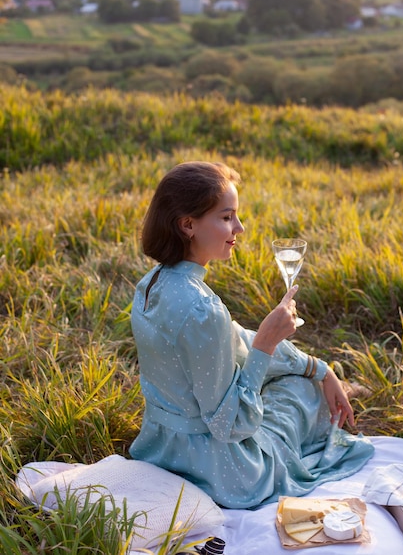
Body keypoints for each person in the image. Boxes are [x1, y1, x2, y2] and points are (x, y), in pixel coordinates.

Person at [129, 161, 374, 509]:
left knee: (301, 376)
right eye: (227, 217)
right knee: (300, 392)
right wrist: (267, 345)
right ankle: (334, 396)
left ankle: (326, 382)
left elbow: (233, 339)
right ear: (188, 225)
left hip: (159, 449)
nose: (239, 228)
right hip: (225, 474)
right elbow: (231, 425)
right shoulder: (202, 309)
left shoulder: (150, 284)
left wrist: (318, 366)